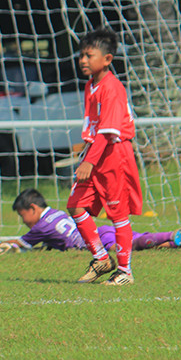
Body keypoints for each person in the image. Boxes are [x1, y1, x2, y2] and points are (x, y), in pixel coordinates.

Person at [67, 28, 143, 285]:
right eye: (81, 55)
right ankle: (101, 258)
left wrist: (90, 160)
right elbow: (95, 128)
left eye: (89, 55)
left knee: (118, 213)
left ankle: (125, 271)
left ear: (107, 59)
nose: (83, 60)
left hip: (114, 153)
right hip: (96, 151)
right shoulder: (91, 85)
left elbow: (108, 130)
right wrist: (86, 155)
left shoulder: (112, 88)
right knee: (76, 204)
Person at [0, 188, 181, 255]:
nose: (23, 222)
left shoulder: (40, 225)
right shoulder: (55, 213)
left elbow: (19, 245)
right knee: (154, 244)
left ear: (32, 209)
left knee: (136, 242)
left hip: (97, 240)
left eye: (22, 216)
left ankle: (172, 234)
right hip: (100, 230)